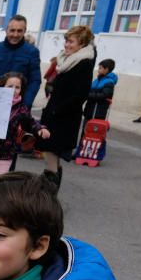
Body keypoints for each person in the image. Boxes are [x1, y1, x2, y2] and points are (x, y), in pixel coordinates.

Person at [36, 25, 96, 187]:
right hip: (55, 114)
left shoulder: (83, 64)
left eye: (71, 42)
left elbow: (80, 95)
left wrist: (57, 110)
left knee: (50, 156)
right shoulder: (68, 60)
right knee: (52, 156)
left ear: (82, 44)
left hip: (63, 118)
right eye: (66, 41)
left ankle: (48, 196)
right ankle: (49, 195)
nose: (67, 45)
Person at [0, 73, 50, 187]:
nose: (13, 90)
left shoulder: (21, 108)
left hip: (5, 155)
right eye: (10, 86)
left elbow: (30, 122)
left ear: (21, 90)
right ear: (2, 87)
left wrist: (40, 129)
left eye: (17, 87)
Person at [0, 15, 42, 108]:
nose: (15, 34)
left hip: (18, 108)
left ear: (24, 31)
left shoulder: (32, 52)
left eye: (19, 31)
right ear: (6, 30)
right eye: (12, 30)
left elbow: (35, 81)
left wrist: (25, 104)